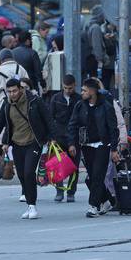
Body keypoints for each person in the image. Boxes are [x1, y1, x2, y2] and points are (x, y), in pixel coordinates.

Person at [0, 79, 54, 219]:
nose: (12, 94)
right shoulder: (7, 104)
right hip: (17, 144)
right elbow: (1, 122)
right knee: (21, 175)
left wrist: (52, 137)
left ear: (21, 89)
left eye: (14, 91)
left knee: (29, 172)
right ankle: (29, 205)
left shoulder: (34, 101)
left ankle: (32, 206)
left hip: (34, 142)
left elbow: (48, 119)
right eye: (9, 91)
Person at [67, 78, 120, 218]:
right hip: (86, 146)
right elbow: (72, 125)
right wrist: (72, 143)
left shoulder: (106, 107)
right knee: (91, 178)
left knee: (97, 175)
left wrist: (114, 148)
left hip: (102, 145)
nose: (82, 93)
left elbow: (113, 129)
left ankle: (94, 206)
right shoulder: (80, 106)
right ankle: (108, 200)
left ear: (92, 91)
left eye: (84, 90)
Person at [49, 74, 80, 202]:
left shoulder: (78, 99)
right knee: (57, 165)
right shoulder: (55, 98)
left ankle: (71, 192)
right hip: (58, 136)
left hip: (74, 136)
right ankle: (59, 191)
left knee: (74, 165)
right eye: (66, 88)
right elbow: (50, 118)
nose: (68, 90)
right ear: (62, 86)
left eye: (70, 88)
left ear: (74, 86)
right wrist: (51, 137)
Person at [0, 49, 29, 116]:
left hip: (4, 104)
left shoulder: (0, 70)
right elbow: (28, 85)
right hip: (21, 103)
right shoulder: (20, 68)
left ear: (1, 59)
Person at [101, 21, 118, 91]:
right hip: (108, 62)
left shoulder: (116, 32)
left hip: (112, 62)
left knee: (112, 83)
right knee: (107, 82)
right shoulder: (103, 31)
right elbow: (109, 49)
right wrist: (108, 39)